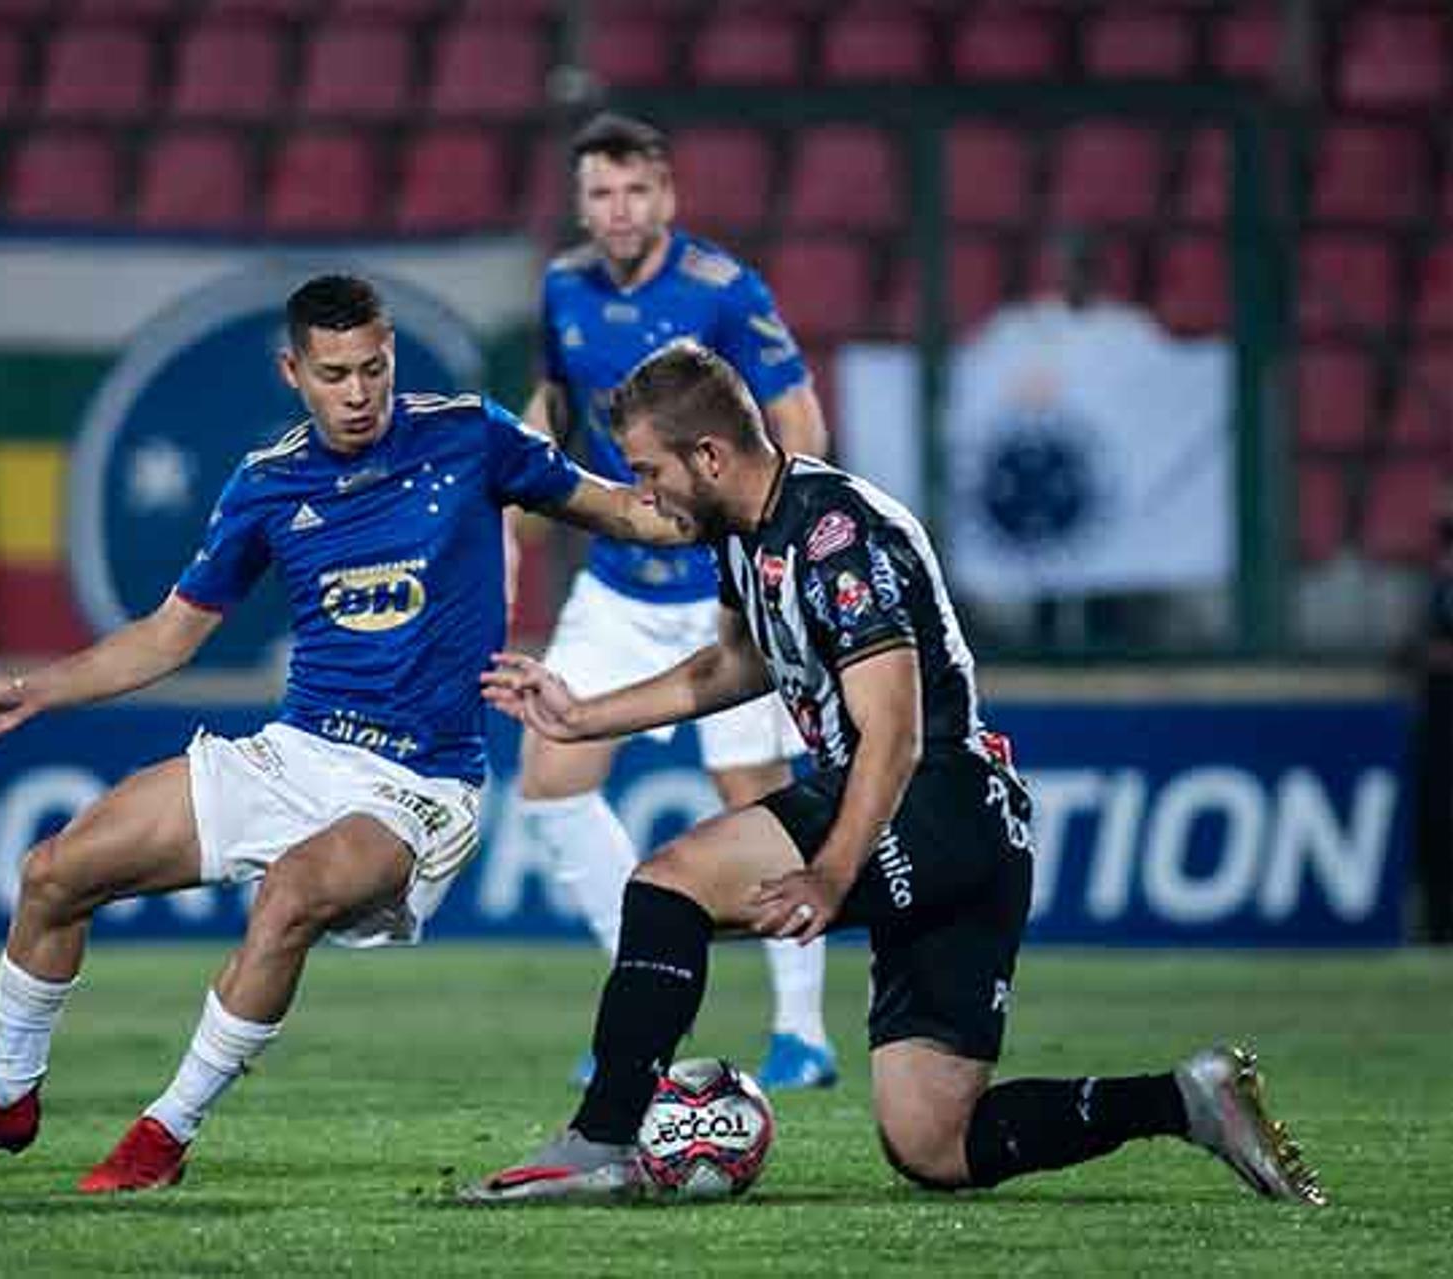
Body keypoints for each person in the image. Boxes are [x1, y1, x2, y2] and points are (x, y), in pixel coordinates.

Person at [0, 274, 686, 1193]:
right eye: (335, 374)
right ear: (293, 369)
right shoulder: (268, 482)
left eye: (374, 368)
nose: (359, 392)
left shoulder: (470, 432)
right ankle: (2, 1094)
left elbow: (616, 506)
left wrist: (738, 507)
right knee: (55, 872)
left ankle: (163, 1134)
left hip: (417, 785)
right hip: (295, 751)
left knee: (289, 895)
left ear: (392, 355)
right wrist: (31, 692)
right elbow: (170, 635)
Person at [464, 341, 1325, 1206]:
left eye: (650, 470)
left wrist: (832, 872)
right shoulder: (744, 536)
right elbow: (725, 669)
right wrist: (583, 713)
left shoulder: (838, 534)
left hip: (934, 797)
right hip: (967, 831)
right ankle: (1189, 1099)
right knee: (933, 1141)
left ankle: (605, 1138)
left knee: (665, 889)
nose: (643, 495)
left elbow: (895, 729)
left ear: (710, 456)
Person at [514, 112, 838, 1089]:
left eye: (635, 191)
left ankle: (804, 1034)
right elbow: (558, 407)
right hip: (618, 581)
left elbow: (798, 419)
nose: (618, 210)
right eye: (600, 194)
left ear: (668, 195)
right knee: (550, 775)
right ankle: (643, 997)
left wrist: (791, 548)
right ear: (581, 203)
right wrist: (516, 495)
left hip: (720, 585)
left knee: (756, 800)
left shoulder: (724, 291)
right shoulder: (563, 287)